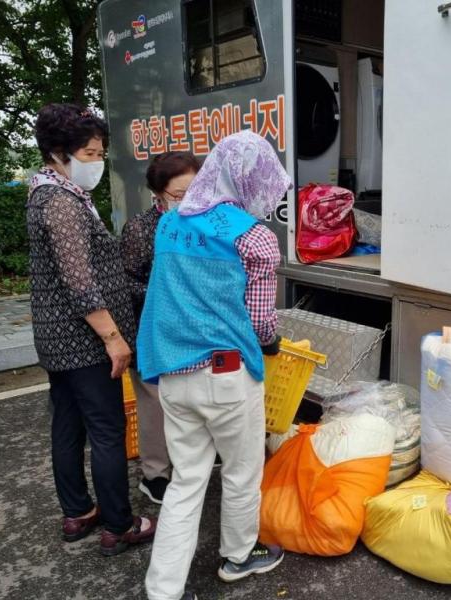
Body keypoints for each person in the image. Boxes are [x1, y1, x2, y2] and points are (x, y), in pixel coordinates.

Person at [139, 130, 291, 600]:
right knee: (242, 472)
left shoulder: (169, 222)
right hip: (226, 375)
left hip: (173, 372)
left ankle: (163, 589)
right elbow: (261, 321)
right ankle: (238, 558)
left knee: (186, 481)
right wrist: (269, 343)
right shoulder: (256, 239)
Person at [26, 103, 156, 556]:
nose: (97, 162)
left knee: (67, 424)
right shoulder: (61, 202)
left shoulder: (47, 192)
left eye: (101, 153)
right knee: (106, 429)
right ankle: (120, 524)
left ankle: (78, 512)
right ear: (59, 153)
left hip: (58, 339)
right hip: (83, 341)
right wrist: (113, 337)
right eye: (89, 153)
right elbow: (78, 280)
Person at [120, 151, 200, 504]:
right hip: (150, 330)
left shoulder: (202, 223)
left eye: (196, 190)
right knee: (154, 404)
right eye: (179, 195)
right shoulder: (141, 228)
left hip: (192, 332)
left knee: (189, 401)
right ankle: (154, 474)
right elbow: (125, 281)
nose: (189, 200)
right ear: (158, 196)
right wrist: (165, 292)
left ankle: (189, 464)